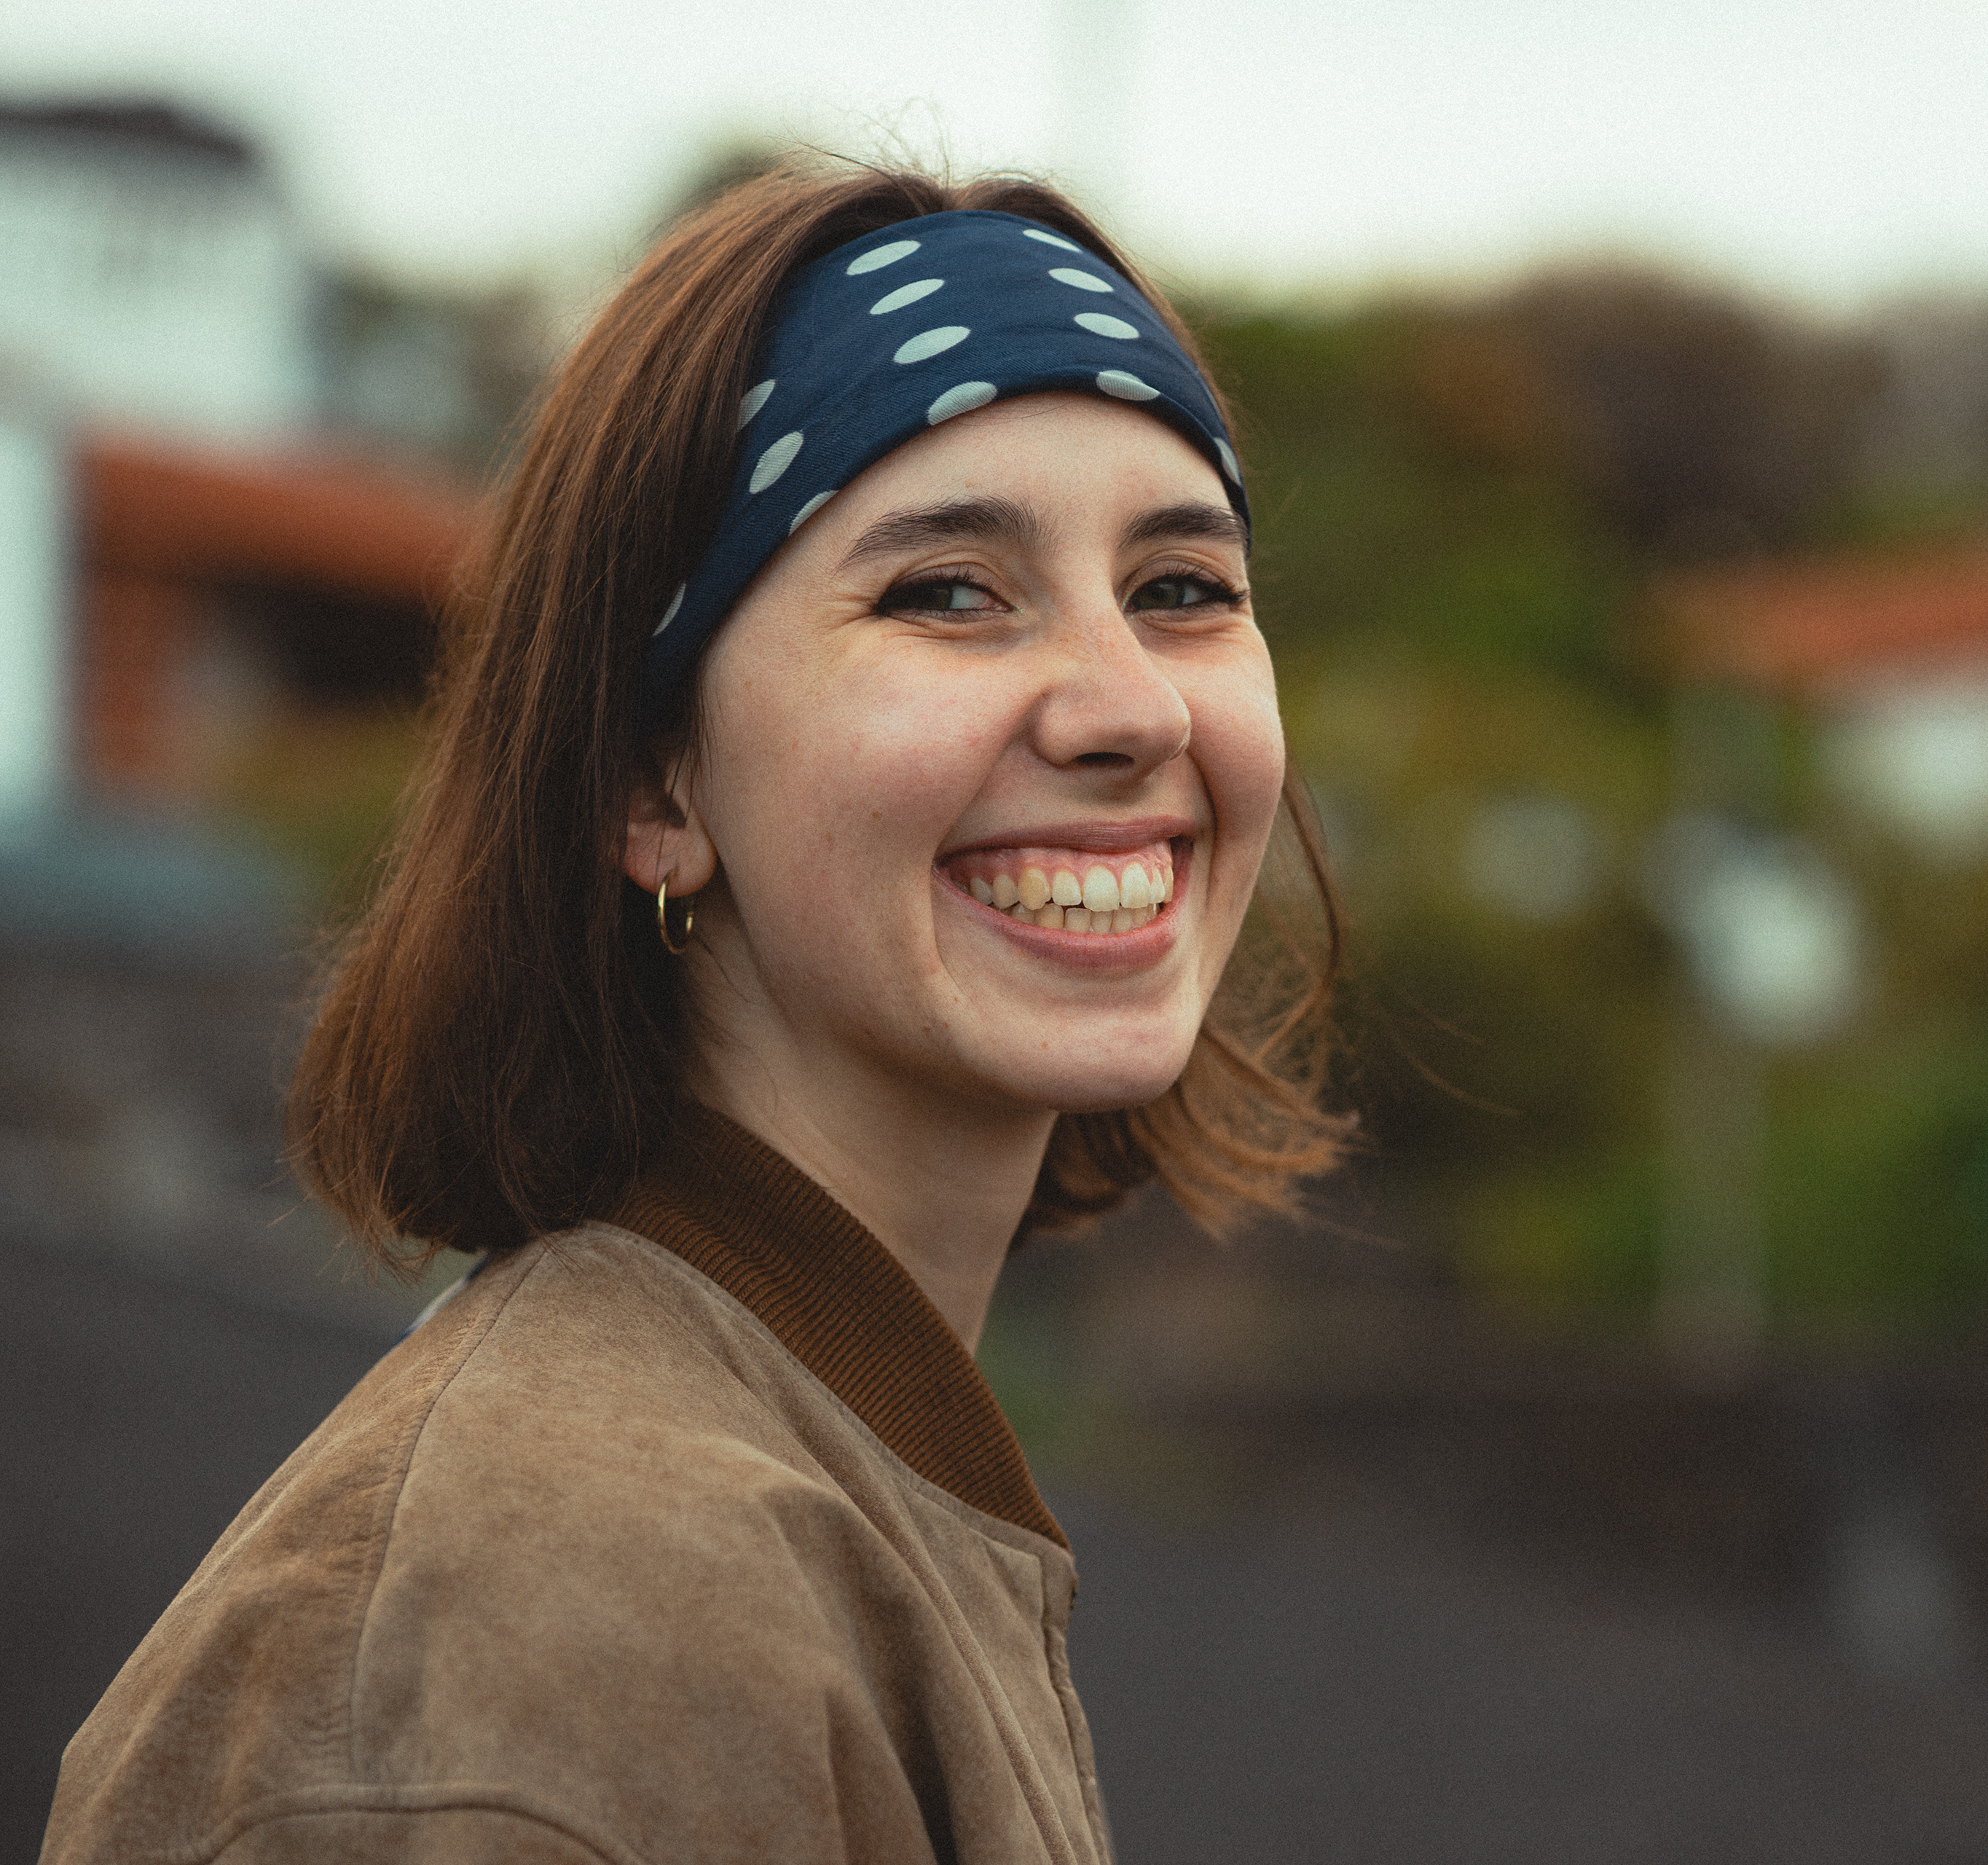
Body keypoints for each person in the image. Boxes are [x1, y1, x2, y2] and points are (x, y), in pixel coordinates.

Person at [44, 162, 1348, 1864]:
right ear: (653, 783)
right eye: (949, 590)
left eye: (1183, 586)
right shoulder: (561, 1631)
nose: (1130, 706)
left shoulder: (800, 1475)